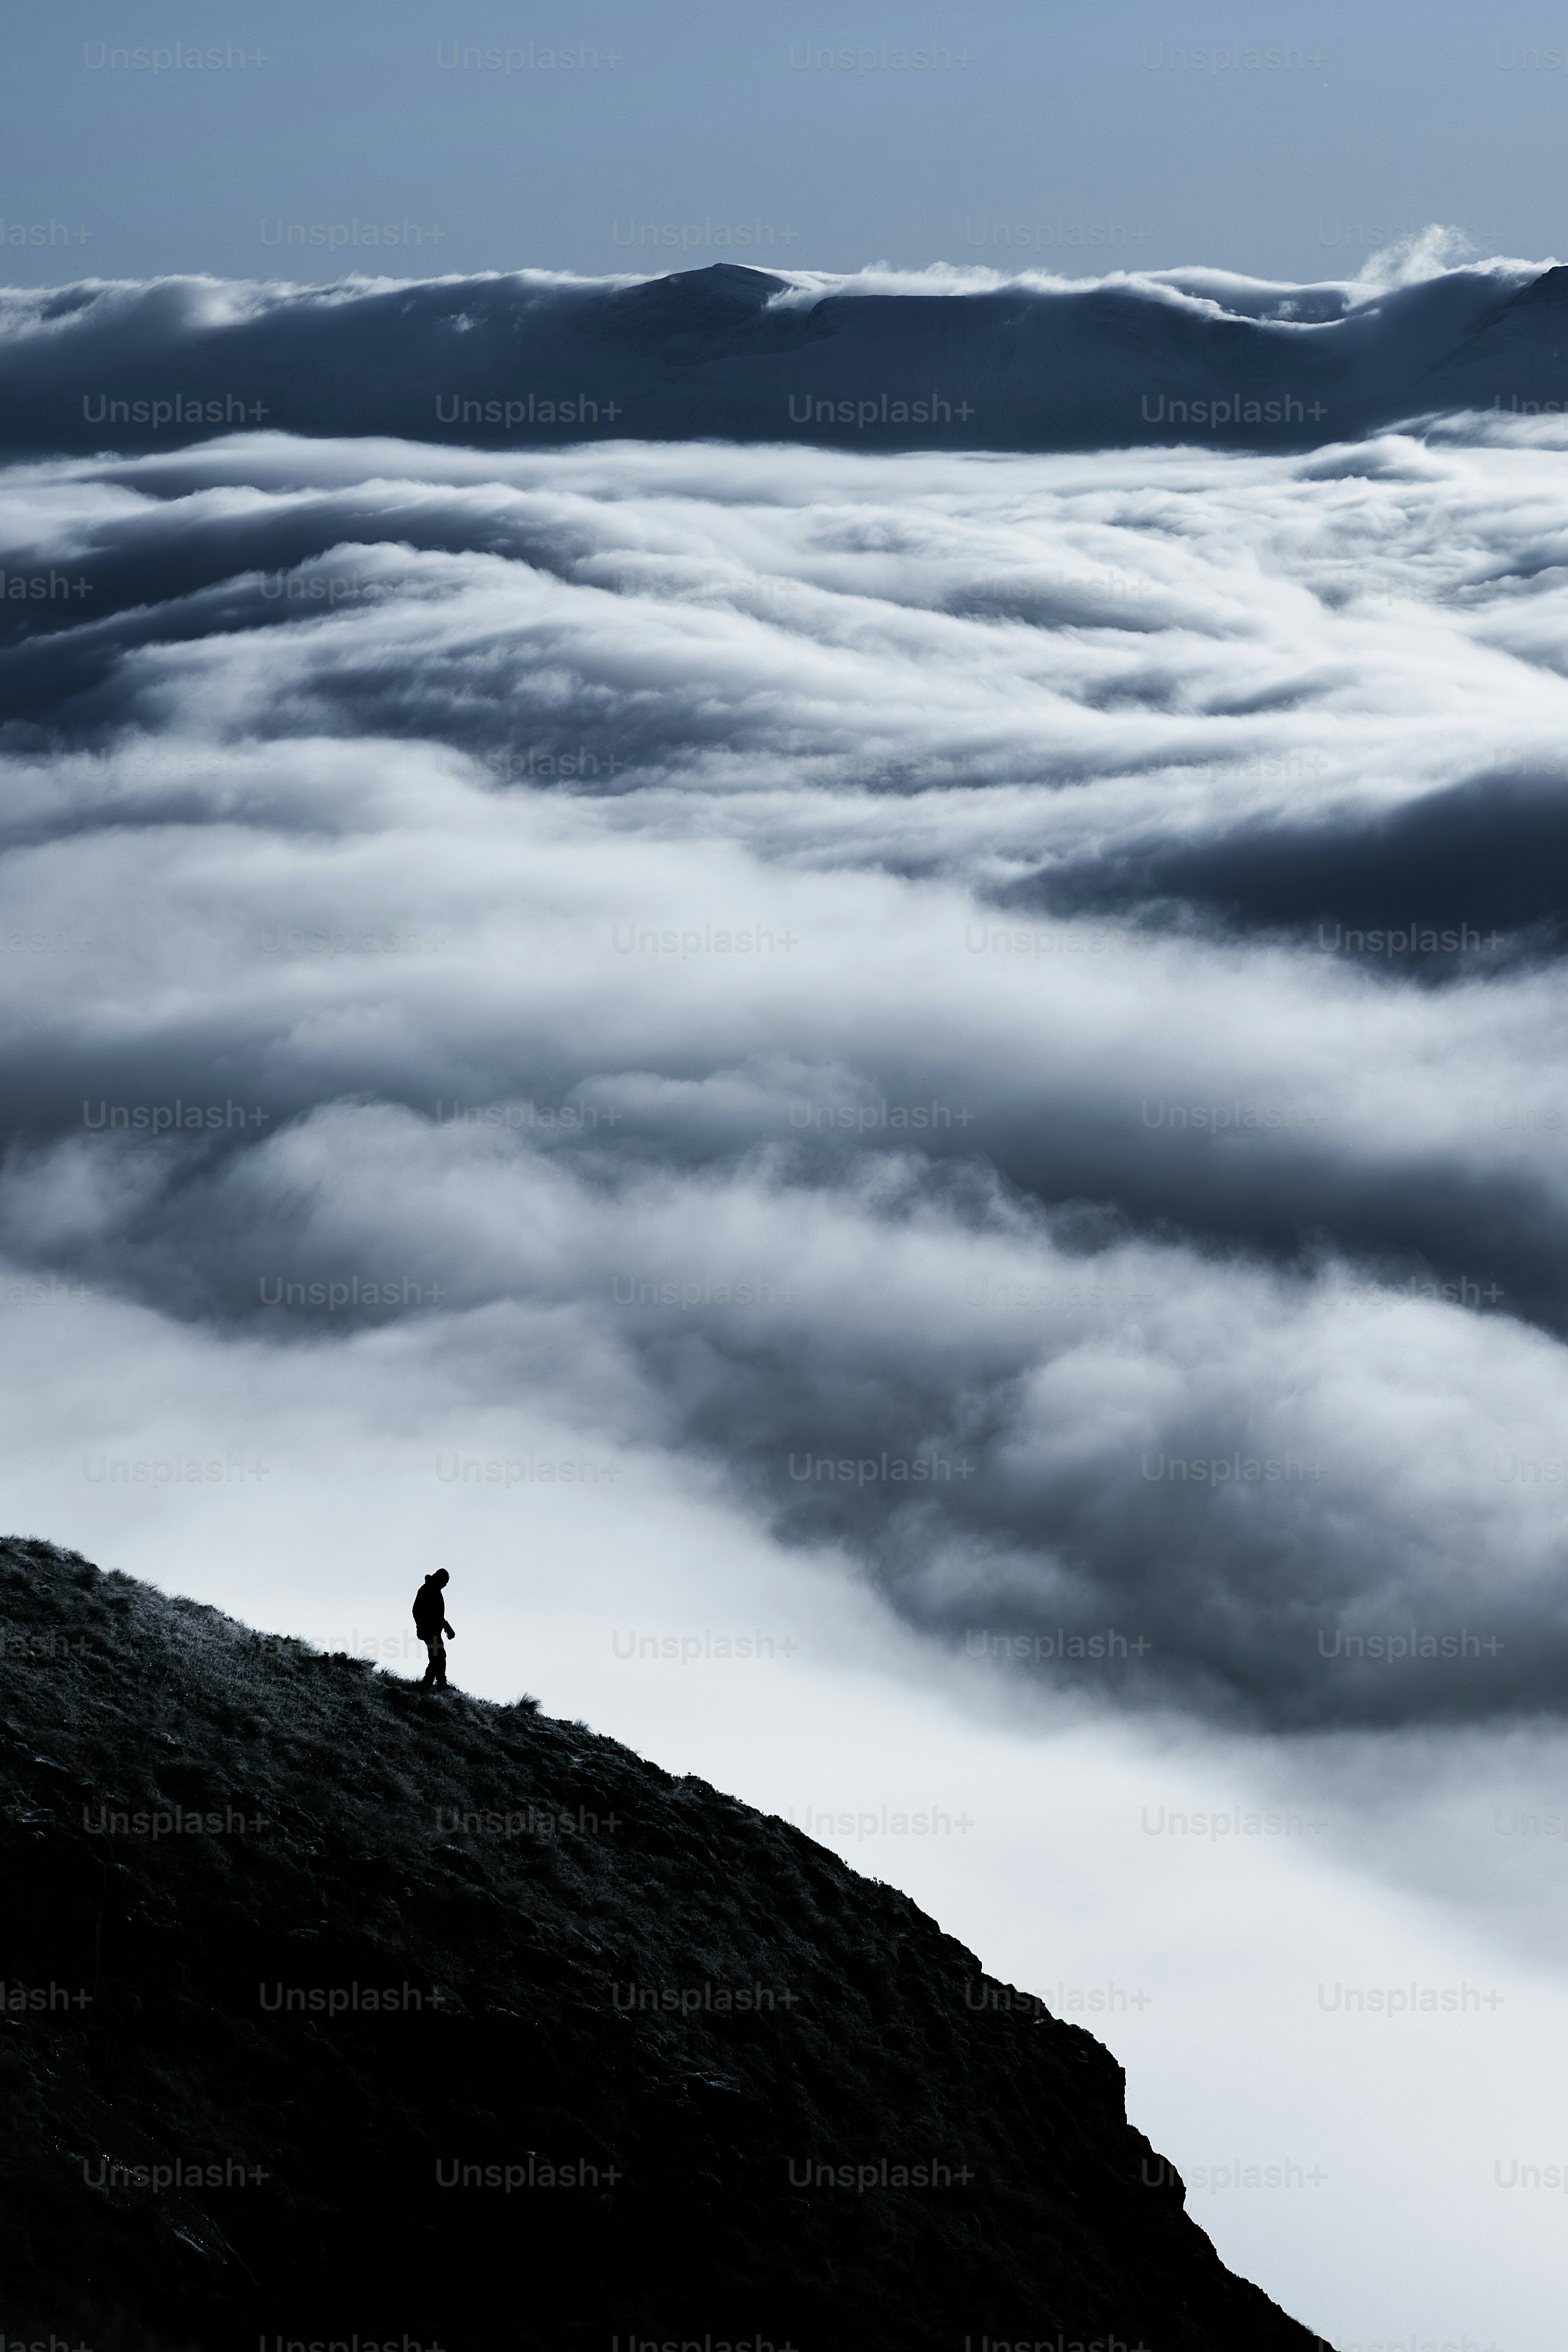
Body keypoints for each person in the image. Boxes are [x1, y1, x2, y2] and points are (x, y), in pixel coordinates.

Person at [412, 1569, 456, 1690]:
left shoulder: (433, 1590)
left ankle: (434, 1683)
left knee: (437, 1656)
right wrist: (422, 1627)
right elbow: (419, 1611)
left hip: (433, 1631)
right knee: (438, 1656)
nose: (446, 1585)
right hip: (430, 1631)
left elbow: (437, 1616)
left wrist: (446, 1627)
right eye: (445, 1581)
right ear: (440, 1579)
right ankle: (433, 1683)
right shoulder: (429, 1590)